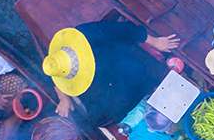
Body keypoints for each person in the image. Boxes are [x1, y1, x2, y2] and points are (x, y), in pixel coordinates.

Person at [46, 22, 180, 127]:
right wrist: (63, 97)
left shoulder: (87, 33)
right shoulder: (57, 61)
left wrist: (155, 42)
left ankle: (147, 90)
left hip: (128, 59)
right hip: (107, 80)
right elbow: (51, 74)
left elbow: (126, 29)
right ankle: (141, 97)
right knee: (98, 119)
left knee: (158, 78)